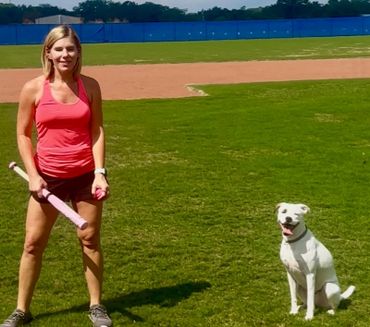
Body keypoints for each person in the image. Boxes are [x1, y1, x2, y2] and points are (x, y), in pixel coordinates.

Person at [1, 25, 112, 327]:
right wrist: (34, 175)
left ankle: (96, 306)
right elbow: (23, 134)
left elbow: (97, 130)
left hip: (85, 176)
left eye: (71, 49)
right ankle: (22, 310)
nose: (65, 54)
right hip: (47, 178)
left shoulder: (90, 86)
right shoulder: (33, 88)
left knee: (89, 239)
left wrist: (100, 173)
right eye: (59, 49)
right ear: (48, 53)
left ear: (78, 53)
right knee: (32, 244)